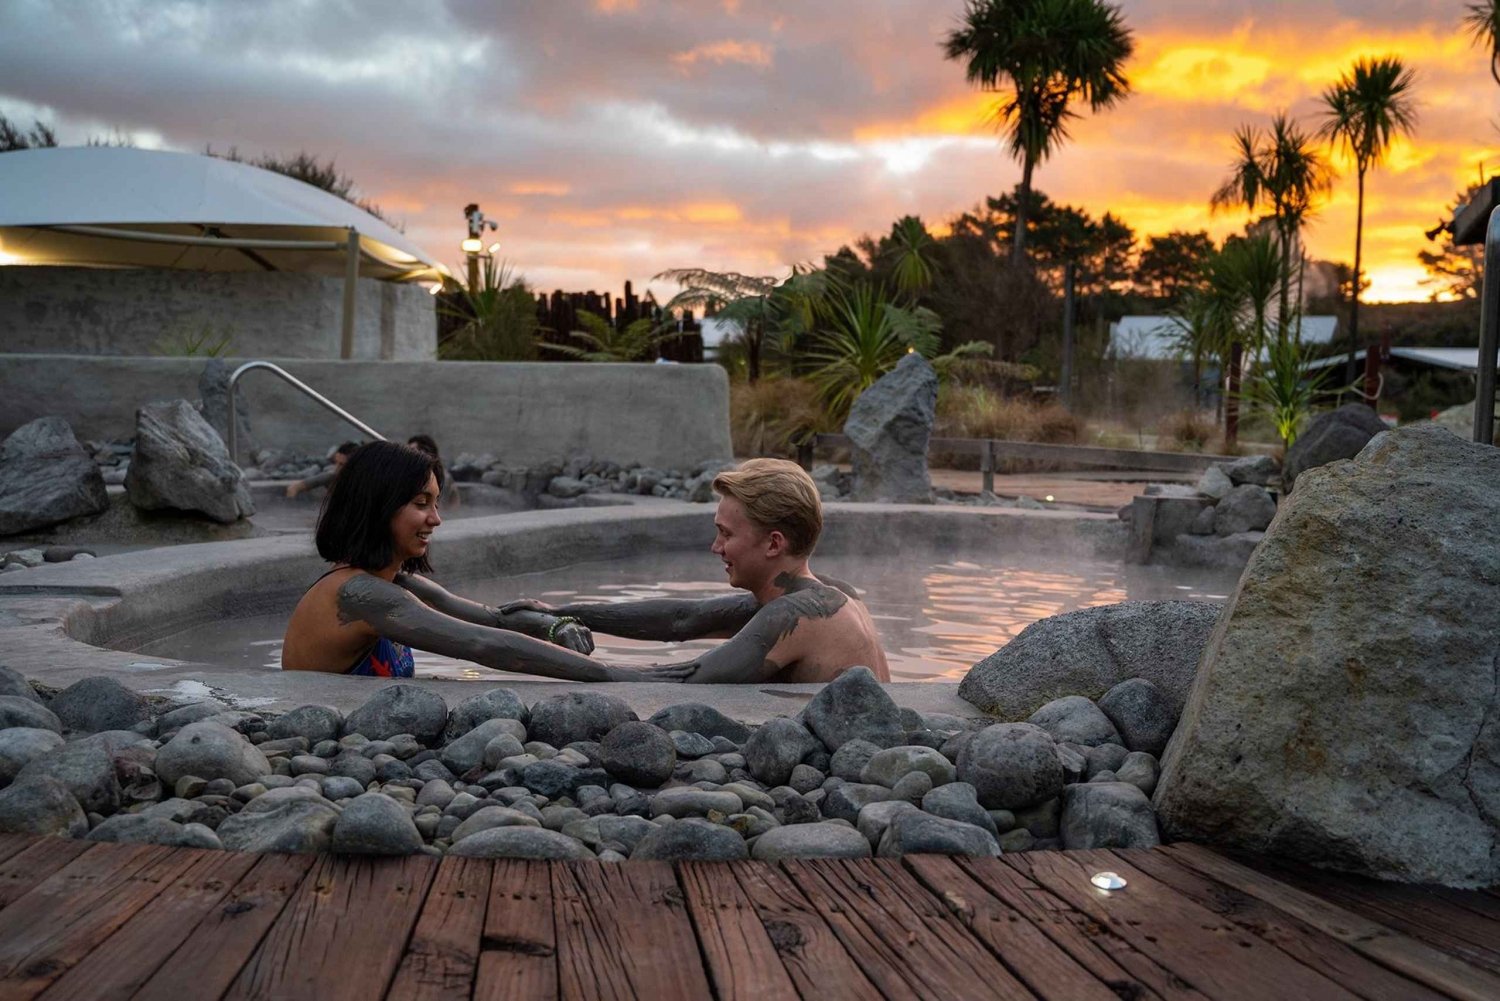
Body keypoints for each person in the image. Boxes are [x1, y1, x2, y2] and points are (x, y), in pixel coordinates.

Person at [281, 440, 691, 682]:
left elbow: (493, 620)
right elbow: (483, 645)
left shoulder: (394, 584)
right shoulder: (359, 594)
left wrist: (557, 625)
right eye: (421, 504)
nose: (436, 519)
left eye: (436, 503)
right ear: (378, 507)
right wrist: (624, 676)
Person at [507, 458, 890, 683]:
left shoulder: (796, 616)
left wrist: (525, 653)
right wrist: (558, 615)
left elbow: (681, 679)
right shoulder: (829, 594)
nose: (715, 547)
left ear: (774, 544)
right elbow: (681, 619)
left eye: (725, 534)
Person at [285, 441, 358, 498]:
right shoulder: (331, 476)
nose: (337, 468)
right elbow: (293, 488)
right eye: (336, 463)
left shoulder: (366, 482)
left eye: (342, 465)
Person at [406, 434, 461, 509]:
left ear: (425, 453)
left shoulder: (441, 478)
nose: (407, 455)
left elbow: (451, 505)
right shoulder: (410, 476)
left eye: (412, 451)